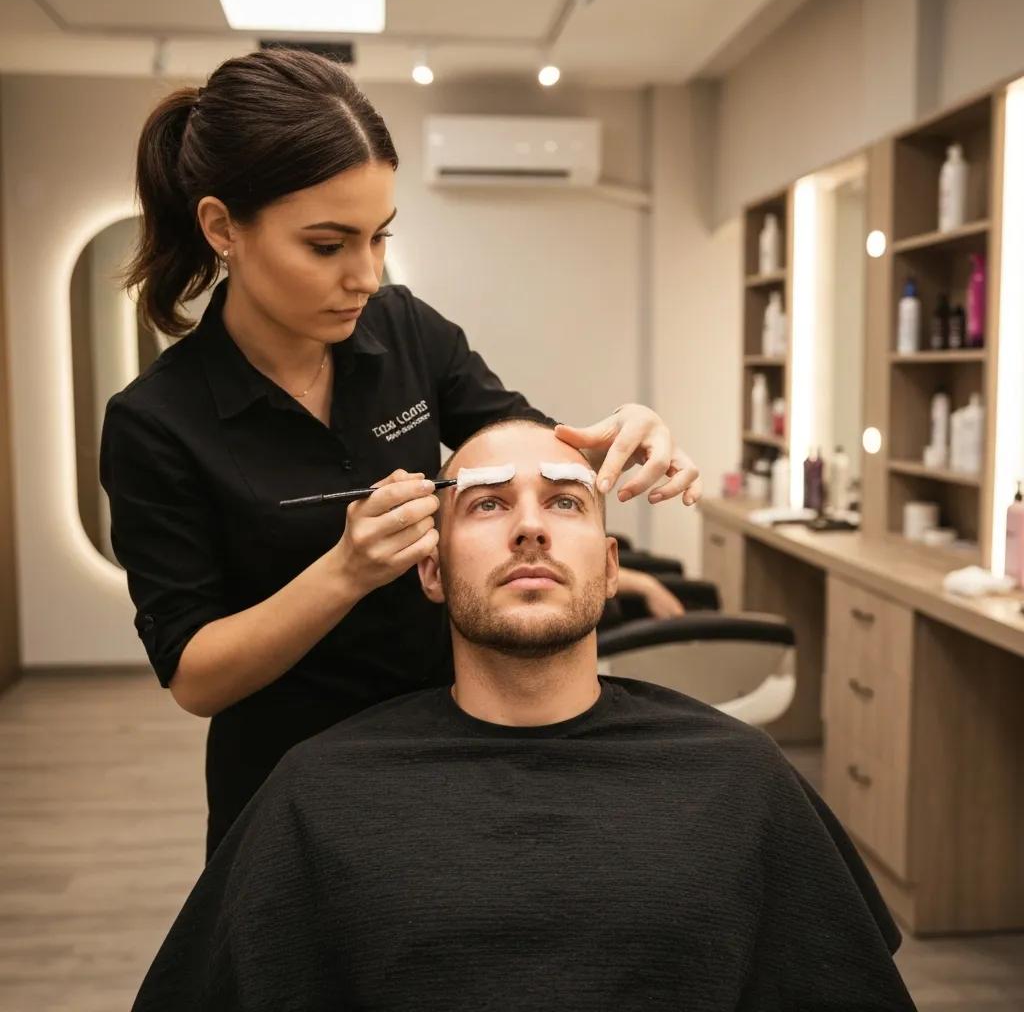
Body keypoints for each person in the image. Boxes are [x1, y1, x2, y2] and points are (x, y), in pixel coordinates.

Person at [99, 47, 702, 860]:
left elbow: (528, 449)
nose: (365, 275)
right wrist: (344, 571)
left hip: (448, 746)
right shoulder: (157, 423)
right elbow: (196, 676)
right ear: (222, 228)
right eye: (327, 245)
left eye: (378, 238)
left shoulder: (405, 331)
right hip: (290, 783)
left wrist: (624, 436)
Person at [130, 419, 916, 1012]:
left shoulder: (742, 778)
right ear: (432, 570)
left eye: (566, 502)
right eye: (488, 503)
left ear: (611, 568)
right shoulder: (317, 795)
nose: (531, 526)